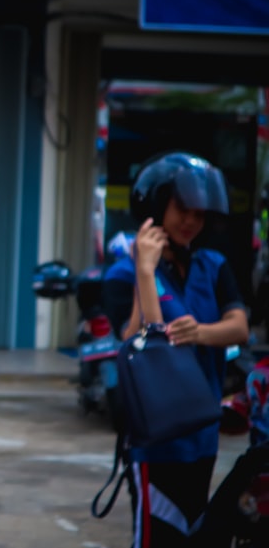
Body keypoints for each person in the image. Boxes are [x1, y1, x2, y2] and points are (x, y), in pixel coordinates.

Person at [102, 151, 250, 547]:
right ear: (155, 204)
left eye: (199, 215)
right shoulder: (123, 271)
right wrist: (145, 272)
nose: (190, 222)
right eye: (182, 209)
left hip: (202, 436)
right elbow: (139, 342)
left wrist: (199, 333)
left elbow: (240, 328)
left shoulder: (213, 265)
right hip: (155, 442)